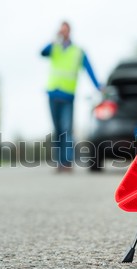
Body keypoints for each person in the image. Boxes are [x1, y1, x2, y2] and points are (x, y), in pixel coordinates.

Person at [41, 21, 101, 172]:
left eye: (65, 31)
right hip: (53, 94)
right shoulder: (54, 48)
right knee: (57, 130)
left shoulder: (77, 51)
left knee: (67, 129)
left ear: (70, 32)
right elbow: (42, 52)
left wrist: (99, 86)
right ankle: (59, 162)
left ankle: (67, 162)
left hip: (68, 96)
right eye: (61, 31)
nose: (63, 33)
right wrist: (54, 40)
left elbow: (89, 69)